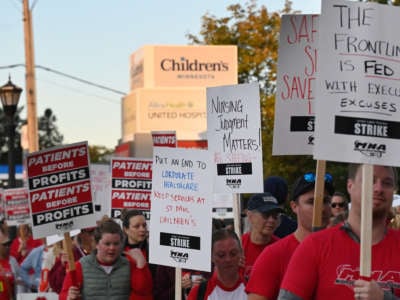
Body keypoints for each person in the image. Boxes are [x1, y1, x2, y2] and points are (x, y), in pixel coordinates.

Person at [278, 164, 400, 299]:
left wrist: (384, 298)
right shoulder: (315, 245)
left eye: (387, 183)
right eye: (369, 180)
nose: (378, 188)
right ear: (350, 186)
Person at [246, 172, 334, 300]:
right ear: (294, 206)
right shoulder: (274, 254)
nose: (320, 208)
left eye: (325, 201)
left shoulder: (345, 249)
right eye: (312, 202)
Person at [59, 217, 153, 300]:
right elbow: (64, 294)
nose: (112, 248)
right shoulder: (81, 266)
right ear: (96, 244)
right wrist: (68, 297)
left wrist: (141, 266)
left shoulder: (129, 265)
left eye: (116, 244)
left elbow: (144, 293)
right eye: (107, 244)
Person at [187, 229, 246, 300]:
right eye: (221, 255)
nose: (228, 259)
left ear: (241, 253)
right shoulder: (198, 293)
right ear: (211, 257)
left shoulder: (253, 287)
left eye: (233, 253)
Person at [242, 192, 283, 281]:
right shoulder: (237, 247)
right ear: (250, 215)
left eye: (275, 216)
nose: (271, 220)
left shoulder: (282, 248)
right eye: (266, 214)